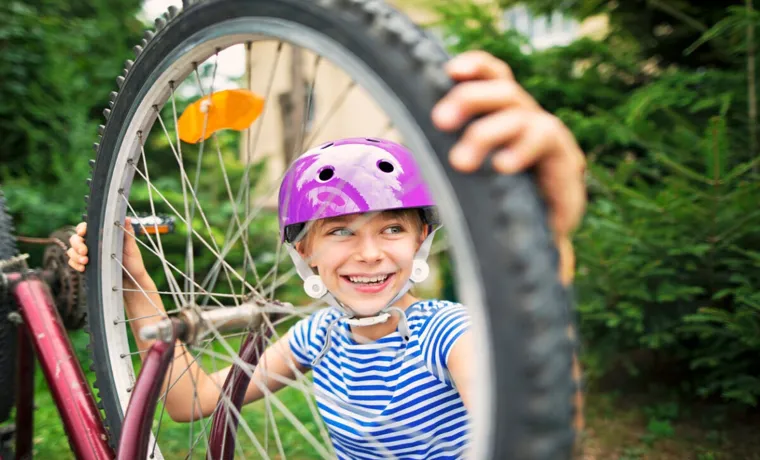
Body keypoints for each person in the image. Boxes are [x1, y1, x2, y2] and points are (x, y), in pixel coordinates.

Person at [68, 50, 586, 458]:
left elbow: (528, 426)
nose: (369, 254)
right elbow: (191, 401)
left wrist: (547, 251)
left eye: (391, 229)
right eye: (339, 231)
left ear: (420, 242)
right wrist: (132, 280)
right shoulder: (320, 336)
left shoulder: (447, 334)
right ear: (305, 253)